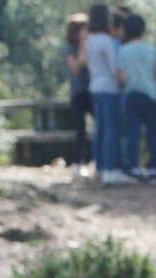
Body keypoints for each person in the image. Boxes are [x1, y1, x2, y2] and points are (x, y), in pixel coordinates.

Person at [85, 4, 132, 185]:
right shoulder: (106, 40)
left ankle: (100, 167)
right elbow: (114, 66)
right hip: (109, 88)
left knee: (100, 129)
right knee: (112, 129)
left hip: (95, 86)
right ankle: (112, 168)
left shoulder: (90, 40)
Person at [118, 12, 156, 179]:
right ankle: (154, 167)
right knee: (153, 133)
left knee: (133, 133)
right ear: (143, 30)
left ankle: (134, 166)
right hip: (151, 95)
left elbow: (122, 76)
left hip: (132, 94)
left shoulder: (122, 51)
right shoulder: (153, 51)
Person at [64, 14, 93, 177]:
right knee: (80, 129)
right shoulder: (70, 49)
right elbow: (76, 67)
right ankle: (77, 162)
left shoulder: (92, 46)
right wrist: (83, 45)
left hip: (93, 91)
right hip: (78, 93)